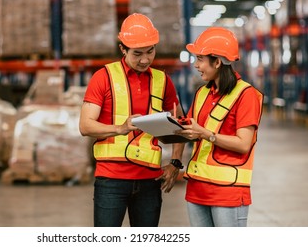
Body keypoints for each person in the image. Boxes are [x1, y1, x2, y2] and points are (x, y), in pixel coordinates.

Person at [79, 13, 186, 227]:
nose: (145, 59)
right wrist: (120, 128)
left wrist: (175, 162)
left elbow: (180, 124)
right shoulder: (104, 77)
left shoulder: (162, 80)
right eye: (137, 54)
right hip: (111, 181)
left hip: (150, 181)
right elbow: (85, 125)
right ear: (123, 49)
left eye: (150, 51)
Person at [176, 27, 263, 227]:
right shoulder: (202, 93)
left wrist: (206, 134)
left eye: (200, 59)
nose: (196, 65)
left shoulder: (246, 95)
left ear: (217, 62)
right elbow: (191, 131)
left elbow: (243, 144)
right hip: (197, 189)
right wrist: (174, 125)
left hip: (228, 191)